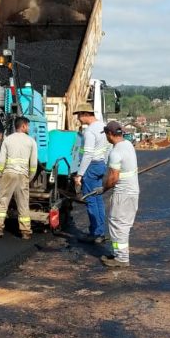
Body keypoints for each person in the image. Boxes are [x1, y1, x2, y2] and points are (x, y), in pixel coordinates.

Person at [0, 116, 38, 240]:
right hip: (23, 175)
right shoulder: (31, 141)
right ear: (23, 126)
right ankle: (26, 231)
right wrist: (29, 178)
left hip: (8, 173)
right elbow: (33, 164)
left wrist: (0, 175)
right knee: (23, 203)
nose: (29, 128)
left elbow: (1, 161)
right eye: (28, 125)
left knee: (2, 201)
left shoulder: (7, 140)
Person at [100, 121, 139, 268]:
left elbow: (114, 178)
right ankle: (118, 253)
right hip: (132, 191)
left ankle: (122, 258)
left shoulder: (115, 152)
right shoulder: (128, 145)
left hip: (122, 194)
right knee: (122, 225)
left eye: (106, 134)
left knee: (118, 225)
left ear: (110, 134)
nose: (106, 137)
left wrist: (103, 188)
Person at [73, 102, 110, 244]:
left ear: (85, 114)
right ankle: (100, 231)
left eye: (79, 116)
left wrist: (80, 174)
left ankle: (96, 233)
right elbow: (107, 148)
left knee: (90, 200)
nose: (78, 119)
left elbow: (87, 154)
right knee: (98, 199)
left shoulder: (89, 131)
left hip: (91, 167)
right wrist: (104, 164)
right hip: (100, 165)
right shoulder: (103, 126)